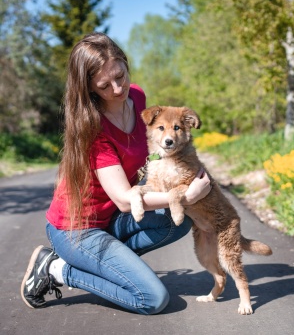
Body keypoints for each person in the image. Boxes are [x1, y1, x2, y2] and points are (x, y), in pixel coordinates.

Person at [20, 32, 211, 315]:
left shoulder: (138, 96)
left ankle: (111, 267)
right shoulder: (92, 128)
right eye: (104, 85)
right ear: (90, 88)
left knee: (179, 221)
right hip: (78, 230)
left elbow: (151, 151)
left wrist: (185, 167)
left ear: (124, 63)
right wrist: (183, 195)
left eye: (120, 76)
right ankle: (56, 268)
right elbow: (124, 200)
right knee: (152, 298)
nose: (117, 89)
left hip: (112, 221)